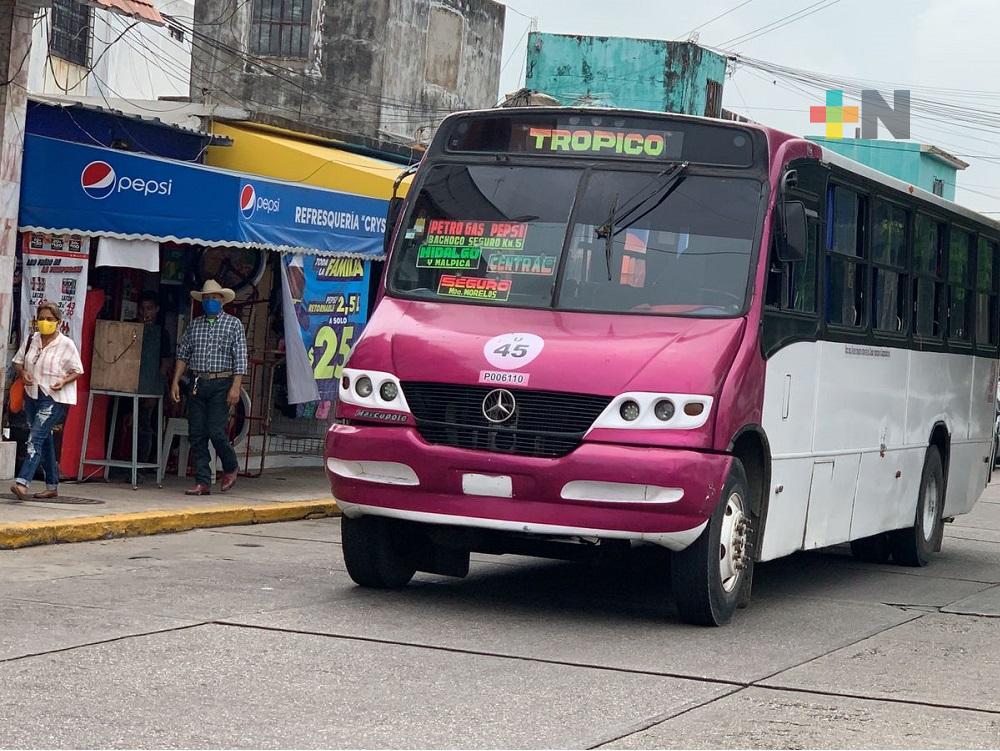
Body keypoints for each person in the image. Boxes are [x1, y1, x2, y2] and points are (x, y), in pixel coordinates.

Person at [171, 280, 247, 496]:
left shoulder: (233, 325)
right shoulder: (195, 325)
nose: (210, 301)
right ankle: (203, 481)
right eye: (207, 298)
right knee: (196, 433)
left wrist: (236, 387)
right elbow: (183, 354)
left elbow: (240, 358)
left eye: (214, 298)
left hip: (221, 382)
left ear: (222, 300)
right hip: (197, 381)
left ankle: (230, 466)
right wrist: (176, 381)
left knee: (216, 430)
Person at [9, 302, 84, 500]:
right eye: (41, 318)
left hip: (54, 398)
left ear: (58, 322)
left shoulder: (66, 344)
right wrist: (23, 373)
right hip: (32, 394)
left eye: (49, 319)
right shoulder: (31, 339)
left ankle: (22, 482)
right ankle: (52, 485)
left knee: (35, 438)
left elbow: (78, 370)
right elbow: (17, 362)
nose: (45, 322)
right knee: (45, 440)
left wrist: (63, 381)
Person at [134, 291, 173, 468]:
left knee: (144, 426)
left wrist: (155, 388)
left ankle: (142, 465)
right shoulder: (131, 329)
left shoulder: (162, 334)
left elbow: (164, 364)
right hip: (128, 384)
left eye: (149, 308)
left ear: (156, 310)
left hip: (150, 386)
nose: (145, 313)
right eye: (142, 309)